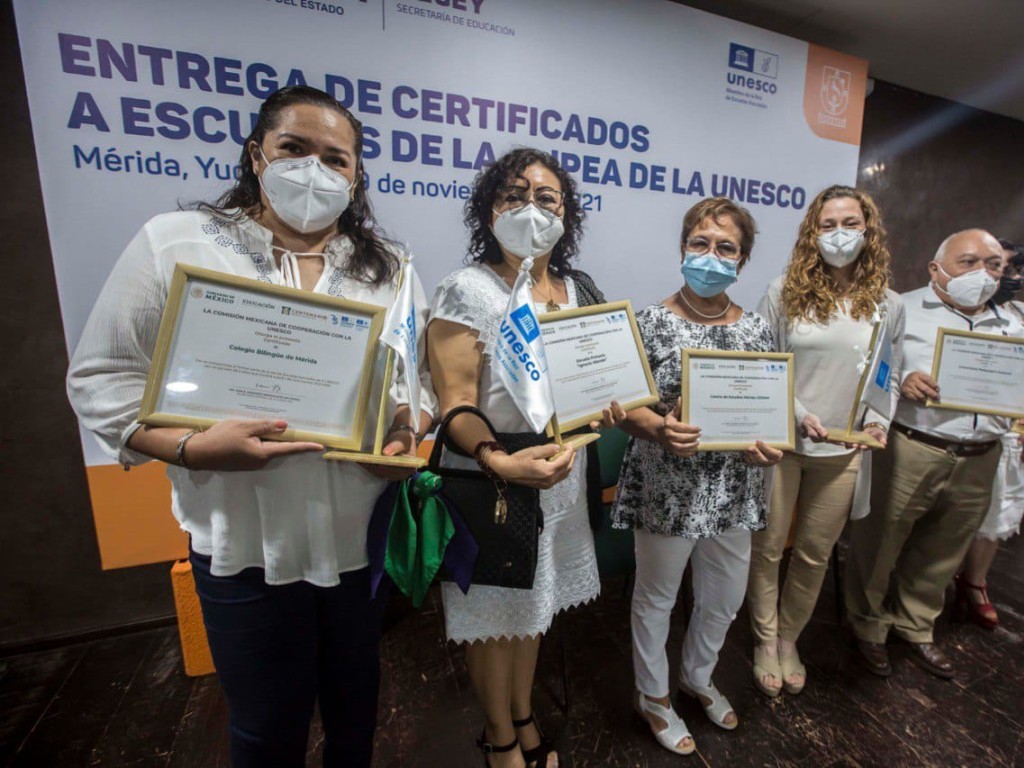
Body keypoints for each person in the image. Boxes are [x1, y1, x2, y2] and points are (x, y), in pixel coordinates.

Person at [67, 86, 436, 768]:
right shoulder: (176, 242)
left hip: (359, 537)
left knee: (356, 715)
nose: (314, 170)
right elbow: (101, 377)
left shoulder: (390, 267)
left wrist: (403, 435)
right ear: (256, 156)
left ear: (357, 176)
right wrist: (190, 448)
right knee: (266, 729)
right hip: (241, 544)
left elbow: (415, 385)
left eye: (336, 159)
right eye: (294, 149)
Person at [426, 147, 605, 768]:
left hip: (561, 474)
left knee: (534, 610)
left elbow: (595, 380)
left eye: (546, 197)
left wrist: (609, 406)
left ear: (566, 214)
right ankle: (499, 737)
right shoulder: (466, 289)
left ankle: (524, 715)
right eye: (514, 196)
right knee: (493, 619)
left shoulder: (579, 291)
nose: (532, 208)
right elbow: (455, 404)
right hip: (492, 477)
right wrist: (499, 461)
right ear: (490, 211)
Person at [606, 197, 782, 755]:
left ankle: (698, 676)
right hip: (667, 484)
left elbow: (768, 411)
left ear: (743, 259)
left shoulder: (757, 330)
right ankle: (654, 695)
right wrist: (658, 428)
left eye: (726, 248)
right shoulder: (649, 321)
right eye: (700, 243)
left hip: (735, 488)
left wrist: (768, 449)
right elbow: (624, 407)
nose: (711, 255)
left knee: (724, 598)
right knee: (656, 597)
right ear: (683, 248)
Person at [746, 185, 904, 697]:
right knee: (768, 548)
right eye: (828, 224)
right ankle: (764, 639)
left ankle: (789, 638)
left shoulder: (888, 304)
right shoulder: (782, 292)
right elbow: (763, 363)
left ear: (868, 230)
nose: (839, 234)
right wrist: (796, 414)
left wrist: (878, 420)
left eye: (850, 223)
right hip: (783, 444)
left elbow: (889, 373)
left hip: (845, 450)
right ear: (812, 233)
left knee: (815, 553)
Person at [844, 228, 1023, 680]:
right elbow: (867, 371)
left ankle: (916, 624)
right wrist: (901, 381)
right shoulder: (900, 308)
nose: (982, 274)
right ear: (936, 269)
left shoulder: (1014, 325)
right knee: (879, 543)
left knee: (944, 549)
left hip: (981, 455)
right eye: (969, 262)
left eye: (993, 265)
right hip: (912, 447)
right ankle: (867, 626)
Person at [955, 239, 1024, 628]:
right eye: (1001, 267)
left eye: (1014, 270)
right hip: (953, 429)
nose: (1008, 276)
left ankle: (975, 582)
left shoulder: (1020, 319)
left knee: (998, 510)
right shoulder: (948, 310)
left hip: (1006, 433)